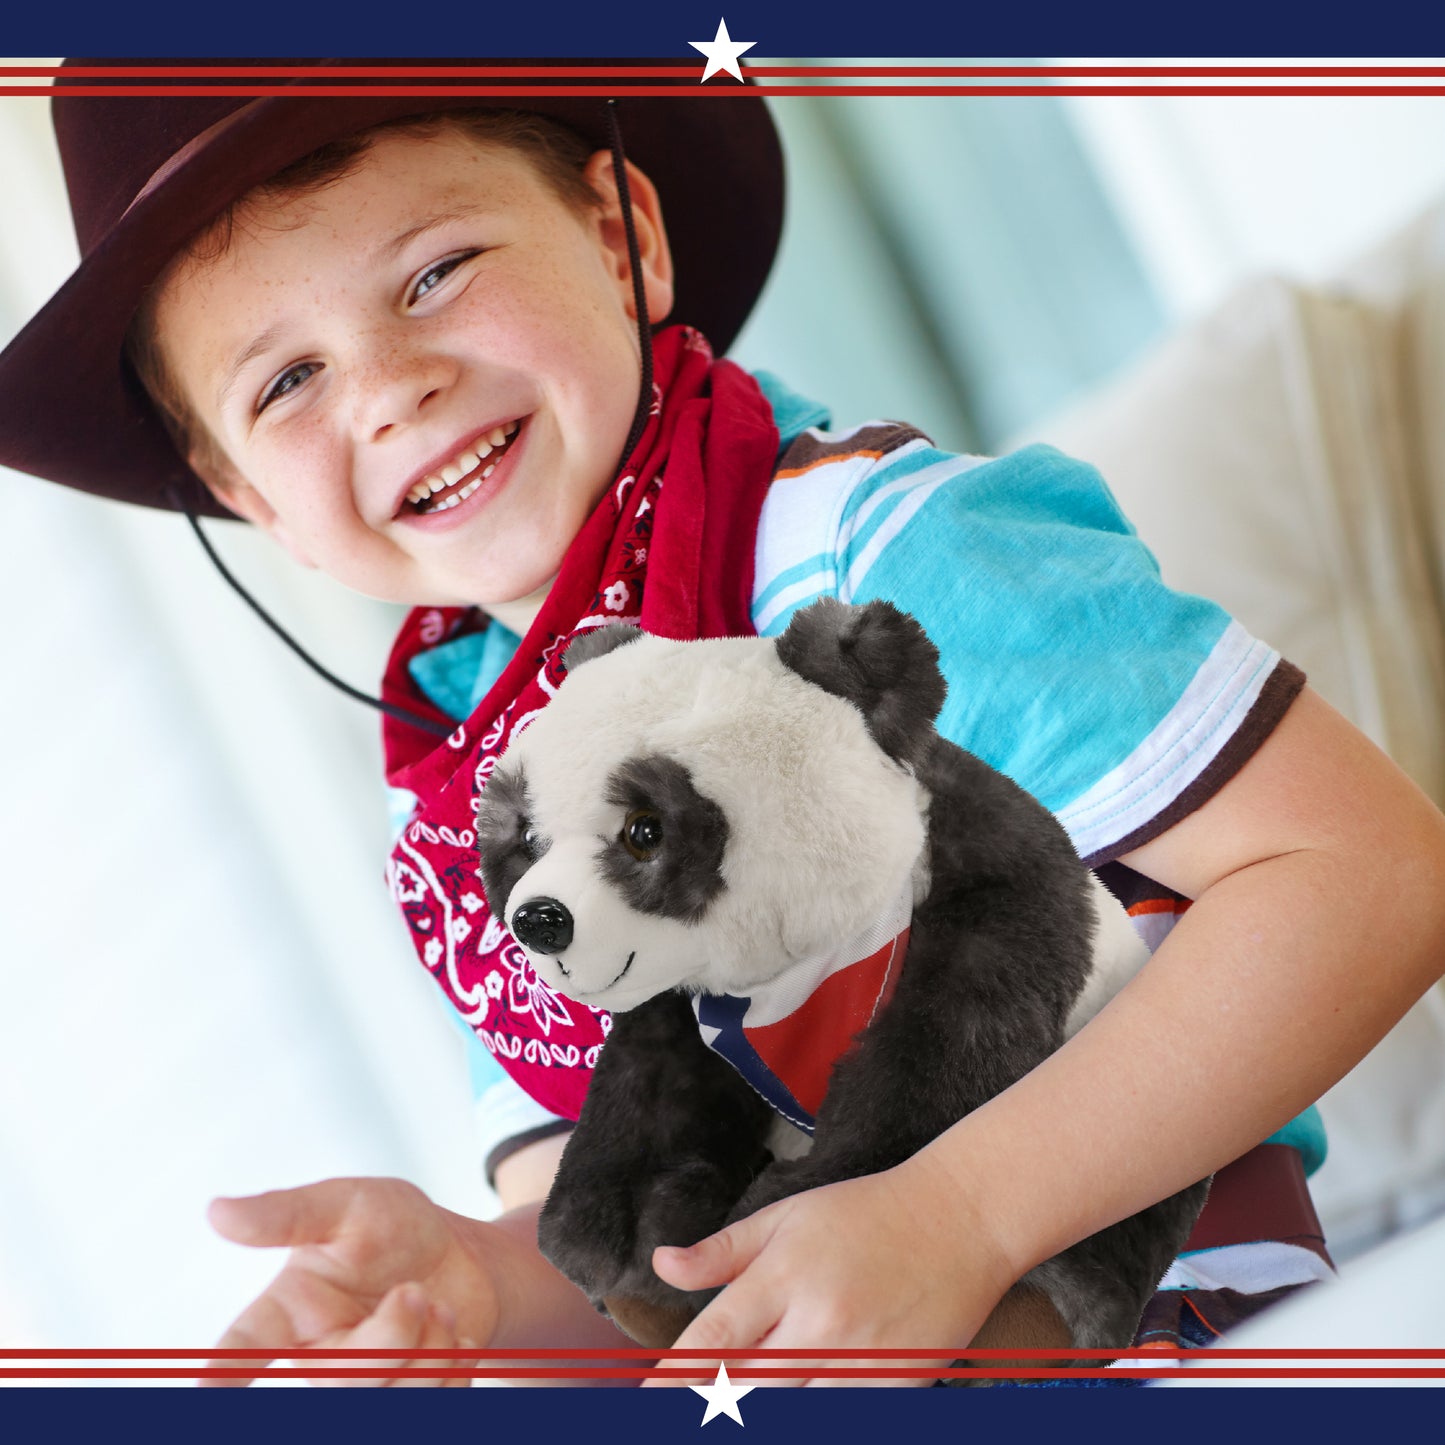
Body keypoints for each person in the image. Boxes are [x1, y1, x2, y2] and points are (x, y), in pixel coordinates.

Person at [2, 56, 1443, 1387]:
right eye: (288, 380)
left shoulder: (885, 556)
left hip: (1157, 1312)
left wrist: (953, 1214)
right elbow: (647, 1264)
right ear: (247, 498)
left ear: (621, 235)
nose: (388, 390)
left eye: (435, 272)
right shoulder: (459, 798)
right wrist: (490, 1282)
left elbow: (1366, 871)